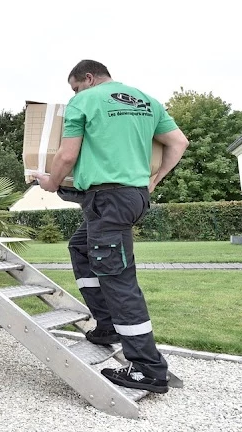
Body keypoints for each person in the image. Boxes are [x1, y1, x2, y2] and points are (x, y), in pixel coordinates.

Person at [34, 59, 189, 394]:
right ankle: (106, 324)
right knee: (81, 247)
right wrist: (153, 181)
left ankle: (148, 369)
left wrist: (52, 183)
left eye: (75, 87)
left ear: (88, 78)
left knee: (119, 280)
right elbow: (179, 143)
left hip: (110, 200)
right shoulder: (146, 101)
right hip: (126, 196)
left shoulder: (85, 100)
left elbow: (66, 156)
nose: (74, 93)